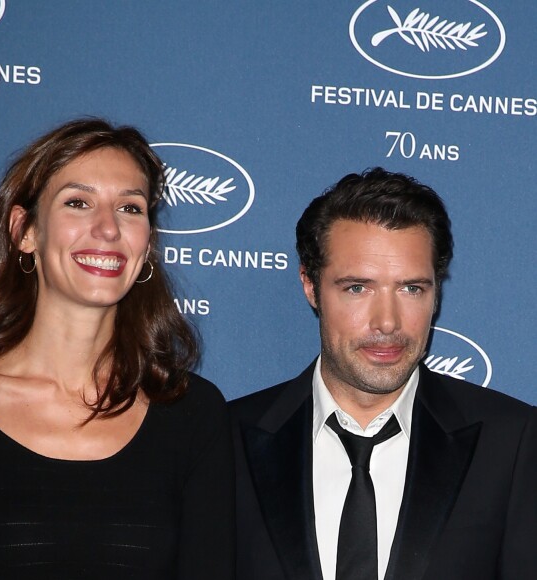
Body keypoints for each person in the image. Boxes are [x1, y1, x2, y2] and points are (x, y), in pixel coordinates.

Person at [0, 118, 234, 579]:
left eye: (130, 208)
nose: (107, 229)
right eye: (78, 203)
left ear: (147, 244)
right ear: (25, 230)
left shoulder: (192, 415)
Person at [230, 168, 537, 580]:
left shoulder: (510, 443)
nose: (388, 322)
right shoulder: (226, 439)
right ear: (310, 285)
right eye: (358, 288)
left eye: (412, 289)